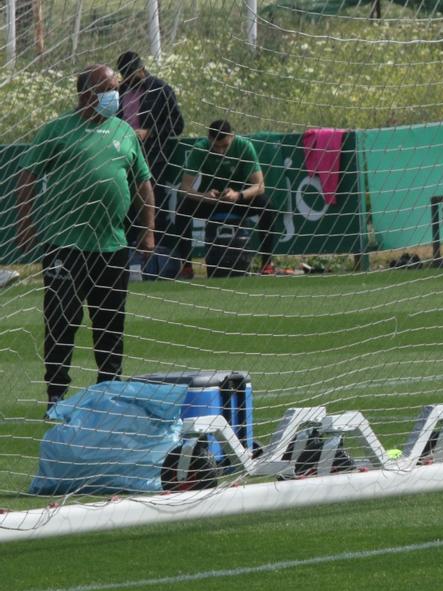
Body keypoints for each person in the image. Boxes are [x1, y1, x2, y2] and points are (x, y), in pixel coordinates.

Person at [13, 64, 156, 411]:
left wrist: (148, 230)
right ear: (85, 94)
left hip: (112, 246)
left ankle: (110, 392)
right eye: (108, 89)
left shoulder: (124, 131)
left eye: (116, 89)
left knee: (111, 323)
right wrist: (25, 223)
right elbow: (28, 176)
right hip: (66, 245)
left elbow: (142, 184)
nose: (114, 96)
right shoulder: (57, 130)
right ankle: (56, 394)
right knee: (61, 321)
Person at [116, 50, 185, 279]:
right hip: (122, 156)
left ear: (141, 69)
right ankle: (124, 264)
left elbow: (177, 125)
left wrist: (150, 132)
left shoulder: (161, 90)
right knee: (123, 208)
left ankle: (159, 264)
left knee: (154, 208)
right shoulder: (119, 92)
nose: (126, 79)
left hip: (152, 159)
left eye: (130, 74)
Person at [177, 120, 277, 274]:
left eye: (225, 146)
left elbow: (260, 186)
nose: (221, 151)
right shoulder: (199, 149)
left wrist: (239, 195)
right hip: (212, 200)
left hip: (239, 199)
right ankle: (186, 266)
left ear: (231, 136)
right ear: (209, 138)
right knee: (182, 210)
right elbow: (185, 188)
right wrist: (205, 196)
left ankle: (267, 264)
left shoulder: (244, 146)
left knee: (267, 206)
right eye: (216, 147)